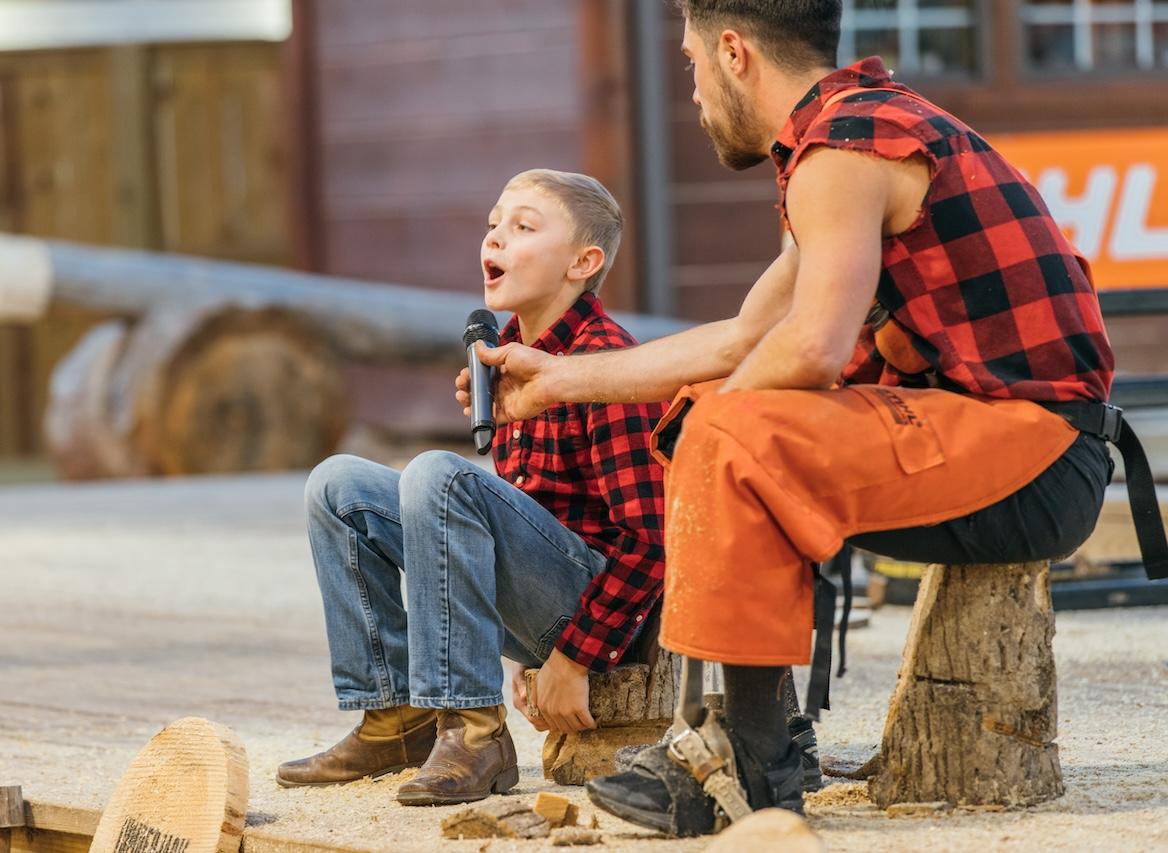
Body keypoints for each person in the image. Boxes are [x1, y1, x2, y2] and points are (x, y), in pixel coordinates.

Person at [458, 0, 1122, 836]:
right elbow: (743, 338)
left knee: (731, 435)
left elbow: (810, 349)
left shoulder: (845, 149)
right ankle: (765, 736)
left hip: (1043, 455)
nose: (693, 94)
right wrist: (557, 380)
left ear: (735, 52)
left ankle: (748, 763)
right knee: (712, 420)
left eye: (695, 66)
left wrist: (709, 434)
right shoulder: (849, 133)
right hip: (997, 432)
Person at [276, 169, 669, 806]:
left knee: (439, 474)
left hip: (604, 621)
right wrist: (522, 658)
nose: (495, 240)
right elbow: (528, 520)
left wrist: (571, 659)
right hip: (545, 607)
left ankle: (475, 731)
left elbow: (653, 541)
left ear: (583, 262)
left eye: (522, 227)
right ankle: (395, 719)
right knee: (338, 485)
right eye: (492, 225)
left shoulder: (607, 366)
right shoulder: (504, 356)